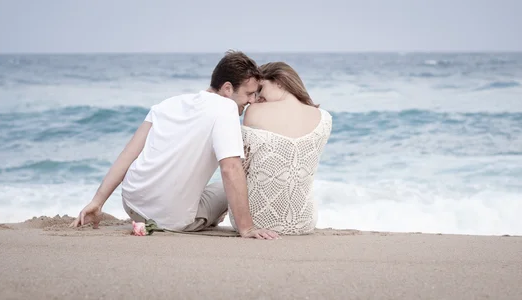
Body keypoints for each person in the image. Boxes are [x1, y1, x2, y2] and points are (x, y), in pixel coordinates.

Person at [70, 50, 279, 240]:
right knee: (244, 178)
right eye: (249, 93)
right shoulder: (226, 108)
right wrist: (247, 228)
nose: (252, 100)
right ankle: (221, 221)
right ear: (227, 89)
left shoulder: (167, 104)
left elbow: (128, 155)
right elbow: (230, 168)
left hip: (132, 203)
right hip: (171, 218)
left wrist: (97, 203)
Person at [228, 62, 332, 235]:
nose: (256, 98)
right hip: (303, 221)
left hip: (256, 220)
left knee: (223, 187)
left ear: (279, 82)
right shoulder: (324, 119)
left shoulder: (254, 111)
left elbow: (243, 169)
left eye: (260, 89)